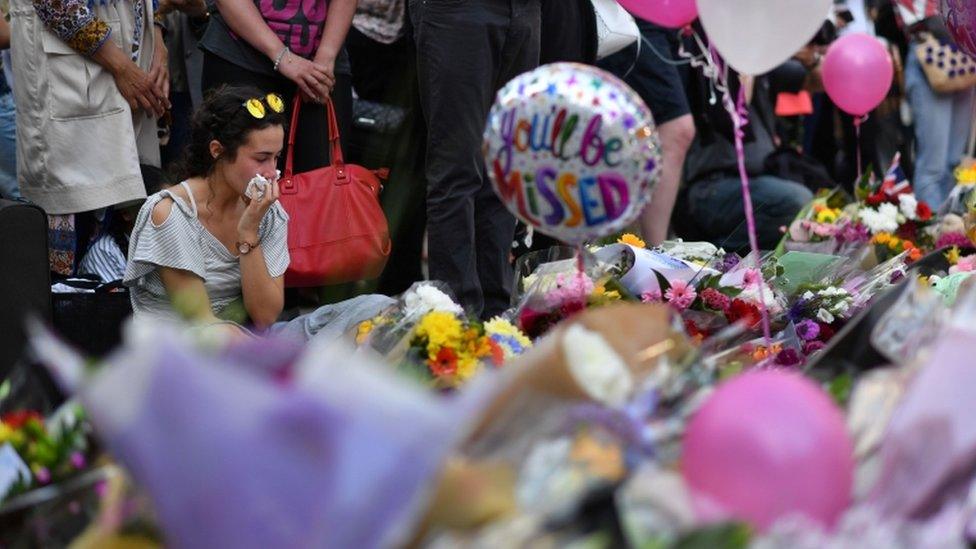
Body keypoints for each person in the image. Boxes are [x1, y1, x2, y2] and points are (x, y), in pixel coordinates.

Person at [123, 86, 391, 337]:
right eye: (261, 159)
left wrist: (249, 231)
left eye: (276, 157)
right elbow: (202, 323)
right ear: (217, 151)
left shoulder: (266, 211)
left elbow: (264, 316)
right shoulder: (171, 213)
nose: (271, 171)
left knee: (376, 308)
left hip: (248, 340)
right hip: (185, 351)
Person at [410, 0, 541, 319]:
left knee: (502, 170)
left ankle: (498, 312)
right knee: (457, 171)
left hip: (524, 11)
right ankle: (458, 321)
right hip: (459, 11)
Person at [11, 0, 166, 214]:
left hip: (132, 56)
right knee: (77, 199)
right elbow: (54, 4)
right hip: (72, 65)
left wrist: (156, 35)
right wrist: (122, 67)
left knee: (133, 202)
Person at [199, 0, 357, 174]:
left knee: (322, 178)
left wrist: (327, 54)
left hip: (323, 56)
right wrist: (281, 55)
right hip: (241, 52)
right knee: (239, 173)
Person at [681, 67, 814, 252]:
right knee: (795, 200)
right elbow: (733, 111)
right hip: (713, 186)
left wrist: (815, 57)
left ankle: (752, 267)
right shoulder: (712, 67)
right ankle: (715, 256)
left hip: (752, 184)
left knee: (813, 201)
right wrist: (743, 78)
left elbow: (815, 77)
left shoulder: (763, 70)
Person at [599, 19, 696, 246]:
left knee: (648, 131)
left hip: (665, 19)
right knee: (675, 128)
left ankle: (647, 256)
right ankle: (654, 256)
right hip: (629, 15)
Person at [894, 0, 975, 207]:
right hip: (931, 54)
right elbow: (927, 19)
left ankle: (951, 230)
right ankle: (932, 232)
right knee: (933, 166)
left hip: (964, 58)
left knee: (954, 162)